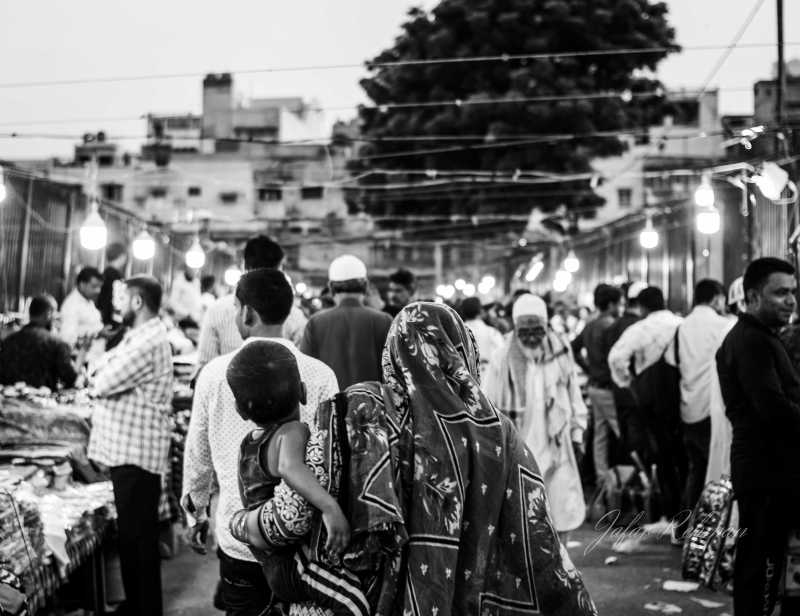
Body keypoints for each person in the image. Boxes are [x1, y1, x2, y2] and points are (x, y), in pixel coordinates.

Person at [240, 302, 597, 615]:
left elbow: (292, 516)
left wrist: (241, 523)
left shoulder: (361, 411)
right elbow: (533, 526)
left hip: (373, 600)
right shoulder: (498, 431)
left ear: (394, 352)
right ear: (461, 351)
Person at [183, 268, 338, 616]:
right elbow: (333, 452)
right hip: (306, 545)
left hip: (240, 538)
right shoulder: (320, 373)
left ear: (247, 312)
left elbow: (198, 453)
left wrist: (196, 513)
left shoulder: (215, 374)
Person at [223, 341, 368, 616]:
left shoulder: (247, 444)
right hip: (293, 564)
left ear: (240, 410)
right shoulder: (293, 431)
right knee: (354, 602)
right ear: (302, 391)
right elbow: (289, 467)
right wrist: (330, 508)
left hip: (268, 562)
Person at [716, 257, 800, 615]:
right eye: (780, 293)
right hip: (765, 472)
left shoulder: (760, 337)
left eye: (793, 292)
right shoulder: (752, 342)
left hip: (767, 469)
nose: (790, 301)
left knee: (765, 561)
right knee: (762, 564)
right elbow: (773, 408)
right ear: (752, 296)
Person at [87, 276, 174, 616]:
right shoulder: (138, 336)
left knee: (137, 538)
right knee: (133, 536)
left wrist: (97, 369)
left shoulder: (148, 340)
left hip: (136, 454)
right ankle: (138, 604)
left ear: (137, 302)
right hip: (130, 451)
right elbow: (100, 368)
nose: (117, 305)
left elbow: (102, 381)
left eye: (122, 299)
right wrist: (98, 368)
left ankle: (144, 609)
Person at [485, 294, 588, 537]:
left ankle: (559, 558)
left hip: (557, 445)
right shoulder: (502, 356)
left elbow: (573, 395)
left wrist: (578, 433)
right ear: (516, 328)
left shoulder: (560, 351)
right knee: (522, 516)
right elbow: (488, 404)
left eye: (537, 330)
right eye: (525, 331)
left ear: (546, 326)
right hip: (519, 446)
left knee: (559, 510)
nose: (531, 337)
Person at [608, 286, 684, 520]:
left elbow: (616, 358)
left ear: (642, 307)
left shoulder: (640, 329)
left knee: (661, 455)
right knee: (683, 455)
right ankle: (688, 508)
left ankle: (670, 512)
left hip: (652, 401)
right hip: (682, 396)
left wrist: (628, 382)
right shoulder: (681, 324)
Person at [668, 279, 730, 538]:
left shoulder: (681, 327)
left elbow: (671, 360)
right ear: (717, 298)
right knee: (715, 475)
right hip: (711, 408)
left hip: (688, 407)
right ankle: (707, 534)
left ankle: (683, 528)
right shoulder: (723, 325)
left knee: (695, 470)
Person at [196, 236, 307, 373]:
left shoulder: (217, 310)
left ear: (244, 266)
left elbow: (203, 367)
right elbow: (301, 370)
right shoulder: (295, 316)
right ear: (279, 270)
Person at [300, 255, 392, 389]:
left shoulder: (315, 323)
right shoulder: (384, 321)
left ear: (331, 287)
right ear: (365, 286)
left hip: (330, 401)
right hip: (374, 401)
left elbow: (306, 374)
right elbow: (393, 374)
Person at [571, 284, 623, 486]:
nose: (620, 308)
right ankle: (625, 481)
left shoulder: (590, 325)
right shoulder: (612, 326)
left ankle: (602, 479)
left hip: (593, 386)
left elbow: (573, 349)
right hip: (609, 388)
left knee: (600, 435)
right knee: (621, 432)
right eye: (619, 304)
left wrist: (589, 368)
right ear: (611, 305)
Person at [603, 281, 646, 458]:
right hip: (637, 395)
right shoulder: (641, 327)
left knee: (624, 439)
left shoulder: (612, 326)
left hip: (617, 391)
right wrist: (632, 383)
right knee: (640, 441)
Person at [0, 295, 78, 390]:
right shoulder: (57, 344)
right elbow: (71, 378)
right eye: (55, 312)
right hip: (44, 398)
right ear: (48, 314)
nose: (57, 318)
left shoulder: (9, 341)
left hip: (9, 397)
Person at [460, 296, 504, 382]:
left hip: (466, 380)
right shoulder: (491, 332)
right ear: (480, 311)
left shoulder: (457, 332)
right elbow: (502, 356)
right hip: (488, 377)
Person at [60, 266, 104, 348]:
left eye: (100, 287)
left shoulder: (88, 300)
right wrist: (97, 333)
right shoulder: (72, 305)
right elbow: (67, 338)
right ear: (82, 285)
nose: (98, 291)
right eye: (94, 286)